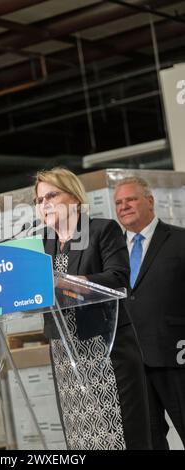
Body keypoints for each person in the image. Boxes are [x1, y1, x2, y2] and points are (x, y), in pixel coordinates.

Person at [34, 167, 151, 450]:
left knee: (120, 436)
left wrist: (71, 282)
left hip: (104, 350)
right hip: (66, 356)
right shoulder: (41, 245)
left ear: (74, 198)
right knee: (81, 438)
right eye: (39, 200)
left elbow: (118, 280)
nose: (44, 204)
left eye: (52, 195)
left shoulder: (101, 229)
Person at [114, 176, 185, 450]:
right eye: (118, 203)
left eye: (130, 199)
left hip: (176, 356)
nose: (124, 206)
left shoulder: (179, 240)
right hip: (133, 365)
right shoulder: (111, 251)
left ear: (149, 201)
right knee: (148, 441)